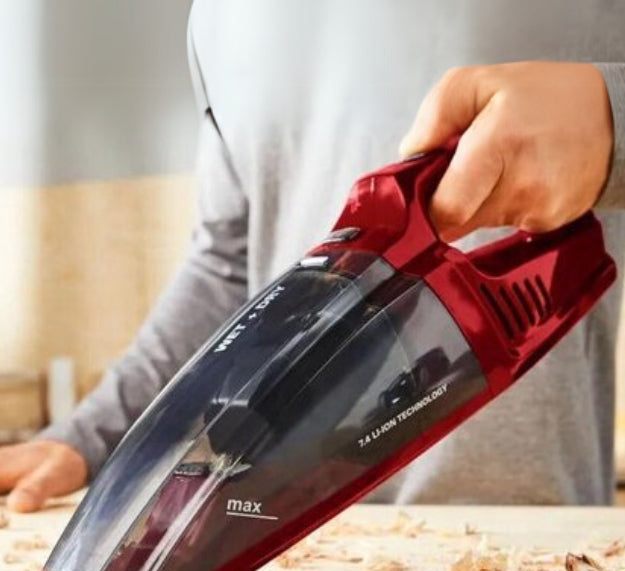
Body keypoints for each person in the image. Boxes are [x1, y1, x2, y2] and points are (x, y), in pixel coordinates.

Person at [0, 0, 624, 510]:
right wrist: (90, 439)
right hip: (294, 548)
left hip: (531, 551)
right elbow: (230, 265)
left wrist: (611, 115)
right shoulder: (220, 19)